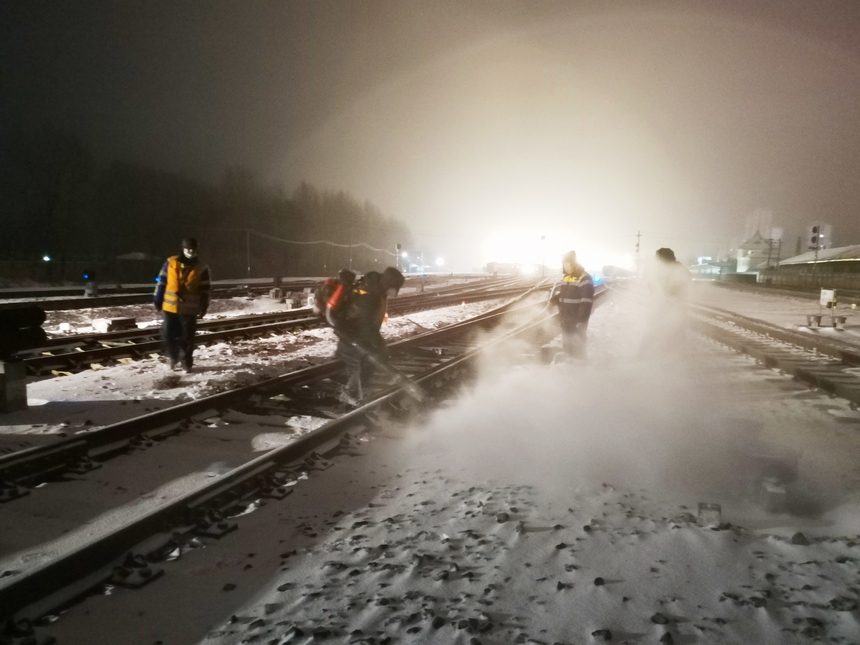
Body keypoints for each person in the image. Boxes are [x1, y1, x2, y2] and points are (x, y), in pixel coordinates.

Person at [327, 266, 405, 405]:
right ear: (389, 285)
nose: (396, 294)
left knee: (371, 360)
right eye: (395, 289)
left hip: (357, 333)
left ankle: (361, 391)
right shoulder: (370, 297)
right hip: (349, 334)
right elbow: (365, 326)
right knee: (358, 361)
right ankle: (348, 395)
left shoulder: (377, 292)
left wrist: (378, 345)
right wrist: (378, 343)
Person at [153, 237, 211, 372]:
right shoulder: (171, 262)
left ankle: (186, 363)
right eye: (187, 249)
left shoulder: (202, 268)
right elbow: (161, 281)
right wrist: (157, 298)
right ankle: (173, 358)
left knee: (187, 337)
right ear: (183, 249)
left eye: (192, 249)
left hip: (189, 310)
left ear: (196, 250)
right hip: (169, 307)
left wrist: (204, 306)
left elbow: (205, 290)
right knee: (168, 334)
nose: (190, 251)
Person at [640, 247, 691, 358]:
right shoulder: (673, 268)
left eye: (659, 258)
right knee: (664, 329)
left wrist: (669, 295)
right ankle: (648, 354)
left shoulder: (677, 269)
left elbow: (681, 285)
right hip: (666, 304)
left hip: (673, 305)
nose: (657, 261)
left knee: (667, 329)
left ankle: (645, 354)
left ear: (664, 257)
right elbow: (651, 284)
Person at [556, 250, 594, 359]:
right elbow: (566, 297)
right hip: (565, 319)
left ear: (574, 263)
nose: (566, 267)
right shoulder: (566, 277)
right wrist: (556, 299)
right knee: (567, 346)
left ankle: (580, 370)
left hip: (577, 320)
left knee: (578, 347)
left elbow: (586, 302)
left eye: (568, 264)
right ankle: (569, 366)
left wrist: (581, 321)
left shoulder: (584, 278)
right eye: (564, 264)